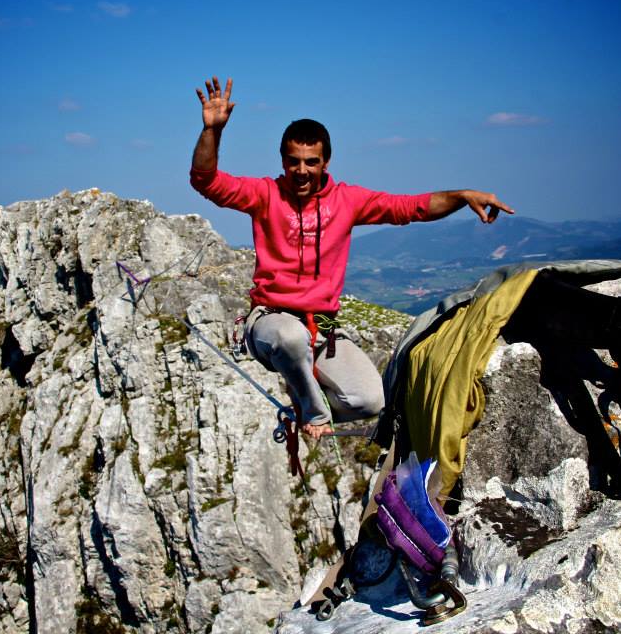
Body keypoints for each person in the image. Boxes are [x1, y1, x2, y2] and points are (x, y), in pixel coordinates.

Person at [190, 76, 514, 438]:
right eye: (294, 161)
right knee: (290, 337)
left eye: (311, 162)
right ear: (282, 160)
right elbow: (206, 181)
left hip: (323, 329)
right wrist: (212, 131)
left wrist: (461, 195)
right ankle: (313, 415)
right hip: (270, 324)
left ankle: (300, 410)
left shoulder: (347, 201)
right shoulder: (264, 194)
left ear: (325, 161)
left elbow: (411, 208)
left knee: (369, 400)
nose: (301, 171)